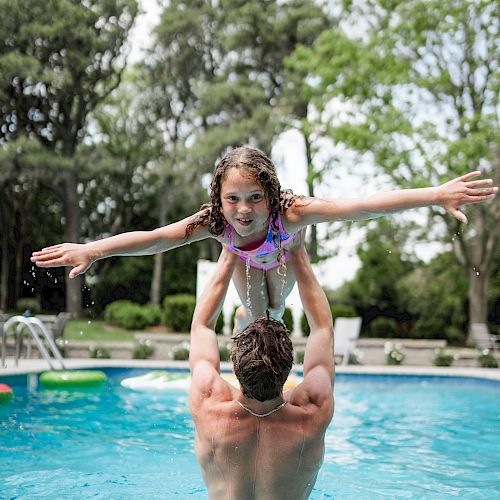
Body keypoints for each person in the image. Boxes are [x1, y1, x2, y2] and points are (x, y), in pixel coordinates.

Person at [31, 146, 497, 326]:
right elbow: (156, 237)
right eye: (233, 199)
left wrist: (435, 195)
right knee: (257, 315)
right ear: (220, 198)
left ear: (271, 195)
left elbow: (362, 205)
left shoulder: (293, 213)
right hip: (247, 270)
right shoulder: (215, 221)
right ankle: (248, 327)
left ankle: (266, 316)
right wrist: (93, 248)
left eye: (255, 197)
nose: (244, 210)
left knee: (278, 307)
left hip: (285, 259)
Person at [189, 243, 334, 499]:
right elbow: (322, 329)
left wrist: (229, 248)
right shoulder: (312, 412)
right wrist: (298, 251)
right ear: (288, 370)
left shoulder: (209, 403)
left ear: (234, 368)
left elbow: (202, 326)